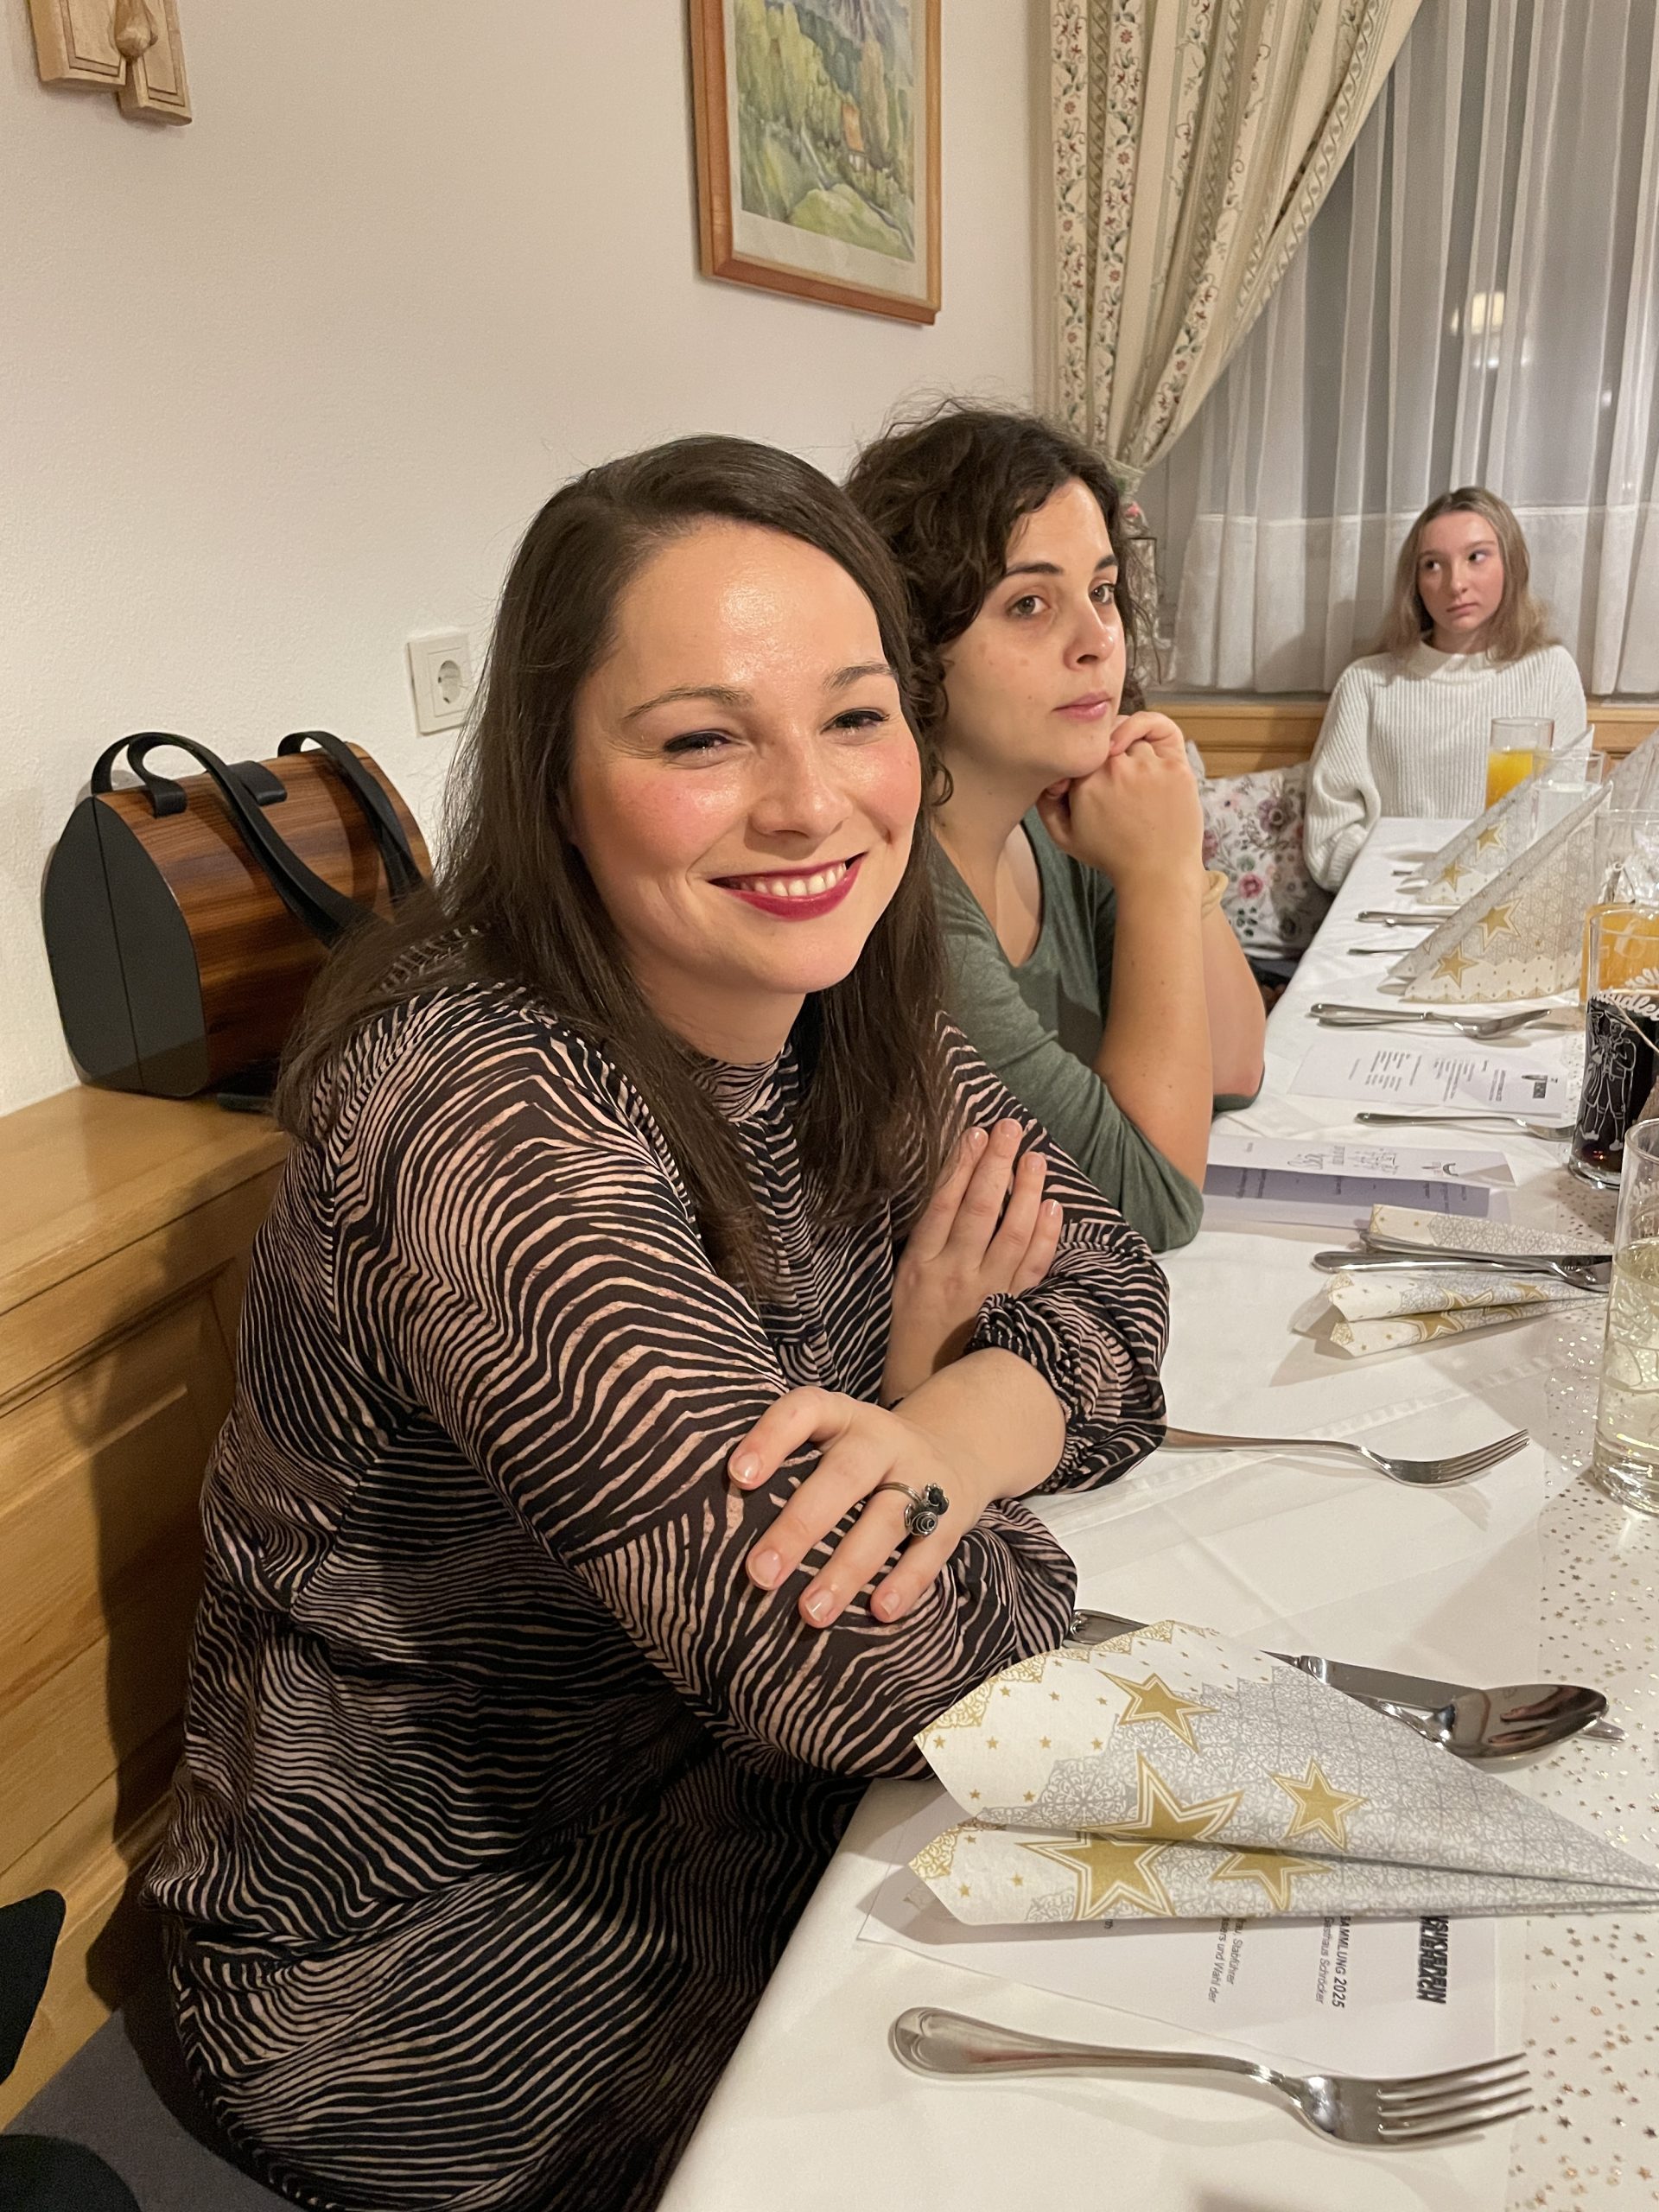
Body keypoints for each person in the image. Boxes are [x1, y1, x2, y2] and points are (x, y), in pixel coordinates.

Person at [144, 436, 1169, 2212]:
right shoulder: (485, 1118)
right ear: (554, 785)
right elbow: (874, 1673)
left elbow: (1122, 1291)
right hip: (442, 1958)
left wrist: (939, 1433)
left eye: (855, 717)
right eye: (703, 740)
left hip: (752, 1808)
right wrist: (951, 1431)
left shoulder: (848, 999)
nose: (810, 803)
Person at [845, 404, 1265, 1253]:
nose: (1098, 640)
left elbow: (1232, 1067)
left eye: (1102, 591)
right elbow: (1151, 1206)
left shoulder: (1060, 821)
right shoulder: (910, 909)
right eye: (1030, 603)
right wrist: (1157, 875)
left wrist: (1173, 859)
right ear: (913, 641)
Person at [1305, 486, 1588, 887]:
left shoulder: (1551, 672)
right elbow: (1329, 841)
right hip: (1390, 898)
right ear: (1414, 581)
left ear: (1511, 563)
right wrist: (1409, 880)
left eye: (1476, 557)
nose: (1456, 583)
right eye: (1433, 565)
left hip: (1511, 897)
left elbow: (1565, 821)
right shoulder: (1367, 684)